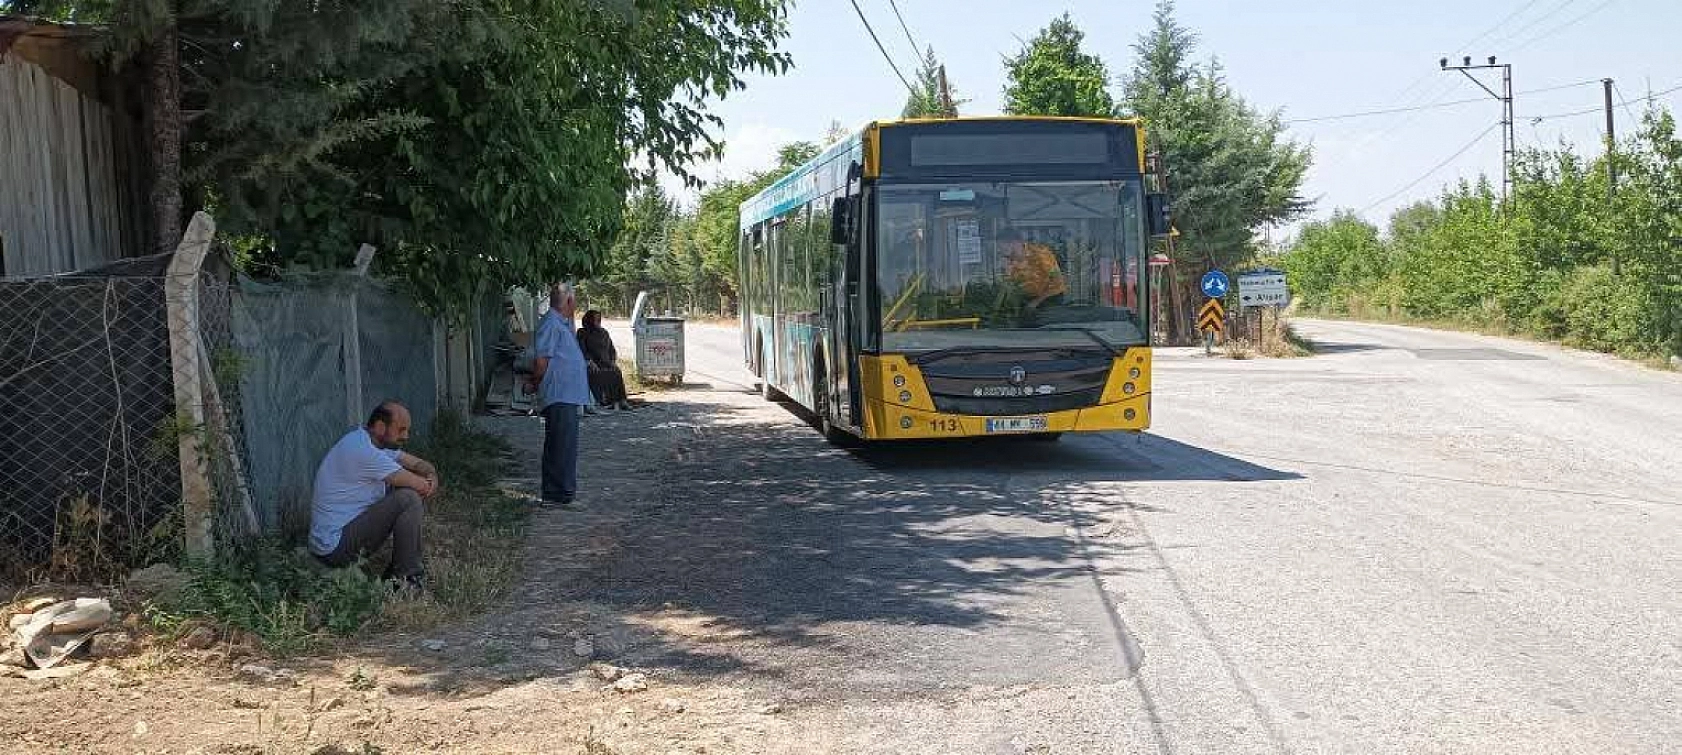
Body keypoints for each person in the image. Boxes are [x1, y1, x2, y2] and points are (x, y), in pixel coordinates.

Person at [309, 401, 441, 591]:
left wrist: (430, 473)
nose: (406, 436)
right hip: (333, 549)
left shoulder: (372, 442)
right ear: (380, 427)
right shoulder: (363, 451)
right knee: (408, 499)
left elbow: (418, 464)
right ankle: (407, 580)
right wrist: (429, 481)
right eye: (401, 430)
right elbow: (421, 486)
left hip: (338, 537)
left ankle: (400, 571)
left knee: (403, 493)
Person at [527, 282, 591, 509]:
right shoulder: (551, 324)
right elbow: (541, 360)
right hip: (559, 394)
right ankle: (558, 495)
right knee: (561, 445)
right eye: (574, 301)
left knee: (564, 444)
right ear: (569, 301)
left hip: (567, 394)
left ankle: (561, 493)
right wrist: (534, 382)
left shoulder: (561, 323)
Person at [999, 228, 1068, 311]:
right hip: (1028, 298)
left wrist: (1036, 302)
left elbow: (1057, 282)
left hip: (1050, 297)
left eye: (1003, 247)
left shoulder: (1040, 254)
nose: (1001, 251)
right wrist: (1007, 271)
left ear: (1015, 243)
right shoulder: (1009, 261)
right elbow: (1011, 287)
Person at [577, 310, 633, 411]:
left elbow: (612, 349)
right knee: (598, 373)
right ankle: (603, 401)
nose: (598, 321)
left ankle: (621, 400)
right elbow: (582, 349)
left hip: (606, 362)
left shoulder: (603, 332)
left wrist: (612, 361)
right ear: (589, 320)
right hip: (592, 363)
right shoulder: (582, 332)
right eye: (596, 319)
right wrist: (590, 362)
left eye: (599, 319)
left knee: (616, 371)